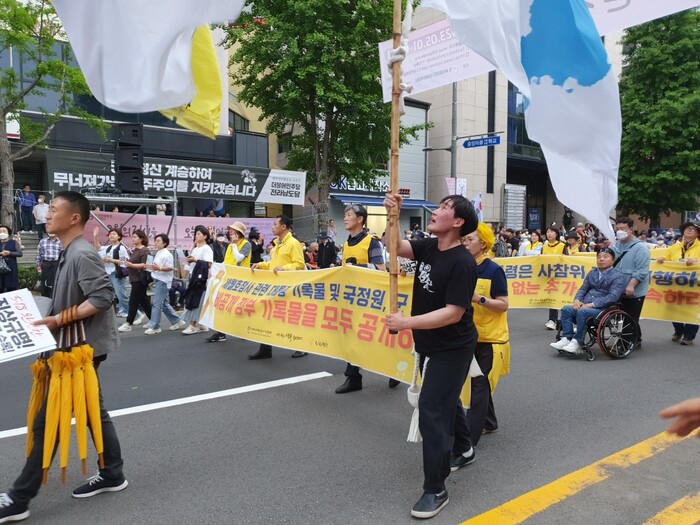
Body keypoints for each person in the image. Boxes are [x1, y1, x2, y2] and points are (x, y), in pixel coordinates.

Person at [0, 191, 127, 524]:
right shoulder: (70, 251)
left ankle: (19, 498)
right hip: (75, 346)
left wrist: (58, 319)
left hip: (79, 350)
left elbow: (102, 297)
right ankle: (113, 472)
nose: (47, 214)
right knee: (92, 411)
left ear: (74, 218)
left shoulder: (82, 253)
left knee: (49, 420)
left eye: (54, 209)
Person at [384, 193, 479, 520]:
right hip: (429, 343)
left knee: (432, 408)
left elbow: (453, 313)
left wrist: (406, 323)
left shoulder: (463, 262)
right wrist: (392, 216)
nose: (435, 212)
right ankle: (464, 448)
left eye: (443, 208)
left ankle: (435, 488)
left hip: (452, 348)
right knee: (443, 399)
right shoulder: (428, 246)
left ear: (458, 222)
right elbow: (394, 247)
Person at [334, 204, 391, 394]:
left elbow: (381, 270)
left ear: (360, 219)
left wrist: (359, 267)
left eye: (349, 215)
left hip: (368, 299)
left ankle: (392, 369)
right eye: (344, 215)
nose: (345, 218)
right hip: (351, 298)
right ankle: (353, 377)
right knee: (352, 337)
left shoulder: (371, 242)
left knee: (372, 337)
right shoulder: (346, 244)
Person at [461, 223, 509, 442]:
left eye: (470, 239)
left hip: (490, 339)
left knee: (479, 385)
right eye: (464, 239)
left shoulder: (493, 270)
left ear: (483, 244)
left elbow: (503, 304)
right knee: (478, 382)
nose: (465, 243)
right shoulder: (462, 266)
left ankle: (468, 440)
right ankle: (489, 422)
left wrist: (479, 298)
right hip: (467, 335)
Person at [249, 215, 306, 359]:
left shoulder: (293, 243)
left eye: (275, 224)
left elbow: (299, 264)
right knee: (266, 315)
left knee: (290, 317)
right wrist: (261, 265)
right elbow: (273, 264)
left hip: (288, 288)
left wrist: (284, 268)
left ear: (283, 227)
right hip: (275, 287)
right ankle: (265, 349)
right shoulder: (278, 244)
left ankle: (301, 346)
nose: (272, 227)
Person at [551, 247, 626, 354]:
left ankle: (577, 342)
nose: (601, 259)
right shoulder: (592, 273)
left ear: (613, 260)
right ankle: (566, 338)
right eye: (599, 257)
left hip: (603, 309)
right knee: (566, 309)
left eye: (605, 257)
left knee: (583, 312)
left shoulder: (618, 276)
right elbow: (583, 289)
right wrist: (577, 300)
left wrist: (591, 304)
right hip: (586, 305)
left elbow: (613, 297)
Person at [206, 221, 251, 343]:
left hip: (241, 280)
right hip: (229, 279)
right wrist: (215, 271)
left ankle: (245, 329)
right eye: (230, 229)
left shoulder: (246, 244)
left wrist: (234, 244)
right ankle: (220, 332)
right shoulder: (231, 245)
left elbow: (238, 258)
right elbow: (227, 262)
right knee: (222, 305)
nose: (230, 231)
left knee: (240, 307)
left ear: (239, 232)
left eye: (233, 230)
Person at [656, 221, 700, 346]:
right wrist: (662, 259)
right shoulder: (675, 247)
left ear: (697, 233)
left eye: (693, 229)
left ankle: (689, 336)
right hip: (676, 284)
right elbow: (667, 257)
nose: (689, 230)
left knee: (692, 308)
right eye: (687, 228)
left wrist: (696, 261)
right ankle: (679, 331)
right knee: (673, 308)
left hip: (694, 285)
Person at [612, 217, 650, 348]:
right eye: (617, 229)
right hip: (618, 288)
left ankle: (625, 344)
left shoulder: (640, 248)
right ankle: (636, 338)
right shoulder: (615, 246)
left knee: (630, 317)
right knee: (621, 316)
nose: (619, 231)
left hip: (635, 289)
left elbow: (641, 271)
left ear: (631, 229)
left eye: (622, 229)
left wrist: (631, 285)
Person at [176, 225, 214, 335]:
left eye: (198, 234)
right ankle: (202, 324)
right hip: (193, 276)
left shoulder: (207, 248)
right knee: (198, 300)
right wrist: (192, 249)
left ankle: (193, 325)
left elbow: (209, 264)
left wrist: (195, 260)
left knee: (196, 300)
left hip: (201, 279)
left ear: (205, 236)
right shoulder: (196, 249)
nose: (196, 236)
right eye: (195, 234)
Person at [143, 233, 181, 334]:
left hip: (163, 281)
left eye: (158, 241)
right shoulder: (159, 253)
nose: (156, 243)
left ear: (164, 243)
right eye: (155, 241)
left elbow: (170, 267)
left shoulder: (167, 254)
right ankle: (177, 321)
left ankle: (155, 326)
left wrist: (158, 268)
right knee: (163, 304)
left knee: (156, 304)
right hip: (158, 279)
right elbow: (156, 267)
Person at [117, 230, 152, 332]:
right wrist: (126, 263)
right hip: (134, 278)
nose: (133, 239)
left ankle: (128, 323)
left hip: (140, 279)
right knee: (143, 301)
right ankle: (153, 320)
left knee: (133, 301)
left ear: (141, 239)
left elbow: (144, 265)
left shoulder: (144, 250)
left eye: (135, 237)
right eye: (132, 237)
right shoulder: (135, 250)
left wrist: (131, 265)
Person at [94, 227, 131, 318]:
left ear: (119, 236)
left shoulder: (121, 247)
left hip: (116, 274)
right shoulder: (109, 247)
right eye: (110, 234)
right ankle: (125, 311)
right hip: (109, 273)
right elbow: (98, 247)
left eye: (114, 234)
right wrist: (95, 236)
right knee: (112, 294)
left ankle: (134, 313)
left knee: (121, 295)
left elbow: (124, 261)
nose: (111, 235)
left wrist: (111, 260)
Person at [542, 226, 566, 330]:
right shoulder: (544, 247)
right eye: (548, 232)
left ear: (556, 234)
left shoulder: (562, 246)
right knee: (552, 298)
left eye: (552, 232)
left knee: (563, 299)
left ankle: (564, 320)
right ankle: (552, 320)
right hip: (548, 277)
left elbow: (568, 260)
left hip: (560, 276)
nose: (549, 234)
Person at [36, 233, 63, 298]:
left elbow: (63, 255)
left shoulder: (61, 241)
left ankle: (55, 299)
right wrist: (38, 265)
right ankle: (44, 298)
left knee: (55, 282)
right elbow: (39, 254)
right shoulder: (43, 241)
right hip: (46, 264)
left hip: (56, 264)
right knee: (44, 284)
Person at [0, 225, 22, 293]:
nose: (2, 233)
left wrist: (9, 253)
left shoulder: (14, 242)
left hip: (11, 267)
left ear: (8, 233)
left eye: (4, 231)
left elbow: (19, 253)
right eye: (0, 231)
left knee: (11, 288)